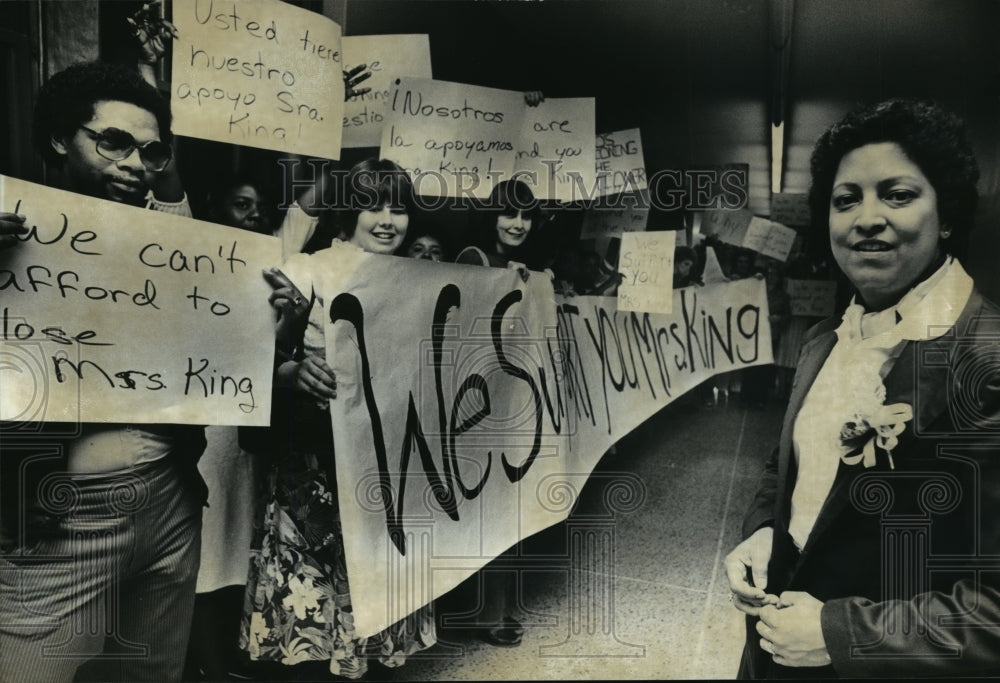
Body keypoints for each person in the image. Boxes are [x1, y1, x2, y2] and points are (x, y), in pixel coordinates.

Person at [724, 98, 1000, 678]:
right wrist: (763, 532)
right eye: (845, 199)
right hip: (776, 649)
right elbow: (787, 466)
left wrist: (842, 636)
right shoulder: (825, 338)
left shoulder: (987, 359)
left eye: (897, 195)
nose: (866, 217)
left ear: (946, 213)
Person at [0, 60, 206, 683]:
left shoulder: (171, 246)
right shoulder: (9, 236)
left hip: (171, 500)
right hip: (60, 515)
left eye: (150, 151)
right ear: (63, 138)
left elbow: (211, 355)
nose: (134, 163)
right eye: (113, 141)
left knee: (151, 674)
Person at [240, 158, 436, 679]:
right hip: (316, 458)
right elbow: (244, 354)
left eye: (399, 207)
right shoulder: (309, 268)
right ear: (349, 210)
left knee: (378, 568)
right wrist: (290, 370)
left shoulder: (421, 276)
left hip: (391, 457)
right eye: (372, 205)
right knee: (320, 577)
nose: (387, 219)